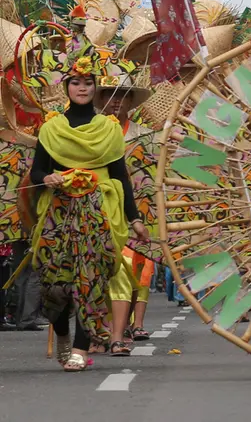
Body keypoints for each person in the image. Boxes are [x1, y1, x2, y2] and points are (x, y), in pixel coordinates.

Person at [27, 48, 149, 371]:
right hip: (58, 211)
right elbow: (36, 172)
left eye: (88, 82)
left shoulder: (108, 130)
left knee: (90, 280)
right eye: (76, 82)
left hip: (99, 213)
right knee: (54, 285)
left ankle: (81, 348)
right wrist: (49, 178)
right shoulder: (51, 129)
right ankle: (62, 331)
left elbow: (121, 177)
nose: (82, 88)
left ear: (96, 87)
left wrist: (134, 218)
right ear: (66, 87)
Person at [95, 72, 154, 349]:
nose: (116, 101)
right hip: (100, 209)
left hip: (137, 209)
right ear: (101, 99)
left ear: (131, 101)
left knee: (136, 269)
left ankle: (130, 325)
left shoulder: (144, 135)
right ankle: (104, 329)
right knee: (104, 270)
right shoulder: (90, 133)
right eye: (110, 95)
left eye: (122, 95)